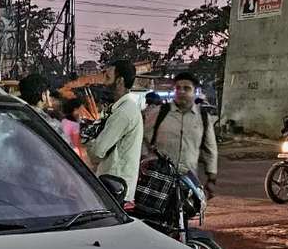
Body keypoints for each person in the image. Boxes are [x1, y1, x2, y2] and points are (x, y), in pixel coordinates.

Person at [147, 71, 218, 199]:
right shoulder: (159, 113)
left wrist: (211, 177)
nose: (181, 91)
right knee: (154, 216)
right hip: (159, 179)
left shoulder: (203, 118)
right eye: (178, 88)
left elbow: (210, 149)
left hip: (188, 180)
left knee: (183, 217)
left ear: (195, 91)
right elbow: (143, 140)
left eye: (186, 88)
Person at [84, 60, 144, 202]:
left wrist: (88, 142)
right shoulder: (124, 108)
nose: (104, 83)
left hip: (115, 188)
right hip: (114, 186)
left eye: (108, 78)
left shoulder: (123, 112)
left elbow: (97, 152)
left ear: (120, 81)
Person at [18, 73, 65, 139]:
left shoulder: (14, 118)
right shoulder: (51, 126)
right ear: (43, 95)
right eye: (49, 94)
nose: (50, 98)